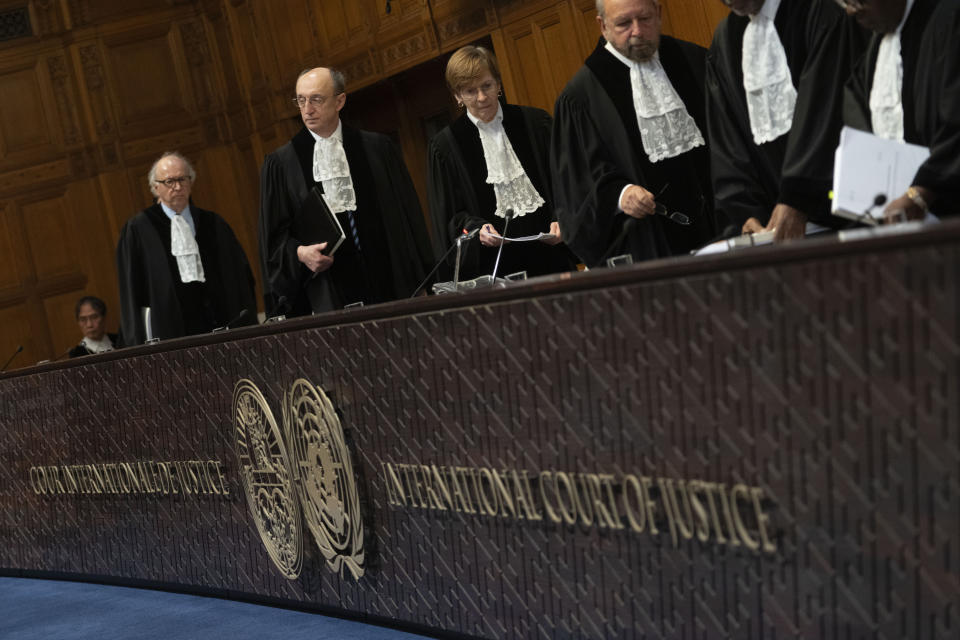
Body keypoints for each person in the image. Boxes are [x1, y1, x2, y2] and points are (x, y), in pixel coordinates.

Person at [551, 0, 717, 268]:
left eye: (645, 19)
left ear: (659, 13)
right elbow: (576, 194)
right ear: (602, 25)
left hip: (722, 235)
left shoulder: (694, 60)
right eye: (624, 23)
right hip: (647, 252)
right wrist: (619, 195)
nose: (637, 31)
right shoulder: (580, 98)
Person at [258, 67, 435, 316]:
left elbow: (409, 222)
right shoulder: (281, 165)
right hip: (323, 298)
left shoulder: (378, 149)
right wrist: (300, 253)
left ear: (340, 100)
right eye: (301, 100)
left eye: (316, 99)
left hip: (388, 287)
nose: (307, 109)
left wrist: (422, 282)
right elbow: (272, 242)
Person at [706, 0, 866, 241]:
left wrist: (797, 198)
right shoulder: (725, 40)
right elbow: (728, 141)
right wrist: (747, 213)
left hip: (845, 215)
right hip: (773, 228)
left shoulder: (820, 13)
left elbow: (827, 116)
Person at [428, 46, 574, 280]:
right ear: (457, 96)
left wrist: (563, 217)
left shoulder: (536, 123)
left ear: (498, 82)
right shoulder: (446, 147)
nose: (482, 97)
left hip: (551, 258)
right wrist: (476, 230)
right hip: (493, 271)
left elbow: (568, 181)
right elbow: (450, 216)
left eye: (486, 86)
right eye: (470, 91)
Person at [116, 152, 258, 345]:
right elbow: (131, 290)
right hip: (168, 332)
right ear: (155, 187)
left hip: (219, 326)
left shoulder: (213, 223)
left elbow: (240, 278)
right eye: (169, 181)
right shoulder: (138, 229)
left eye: (182, 179)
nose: (177, 187)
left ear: (191, 182)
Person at [842, 0, 959, 220]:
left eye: (857, 1)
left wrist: (922, 192)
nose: (850, 11)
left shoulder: (949, 17)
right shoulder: (879, 43)